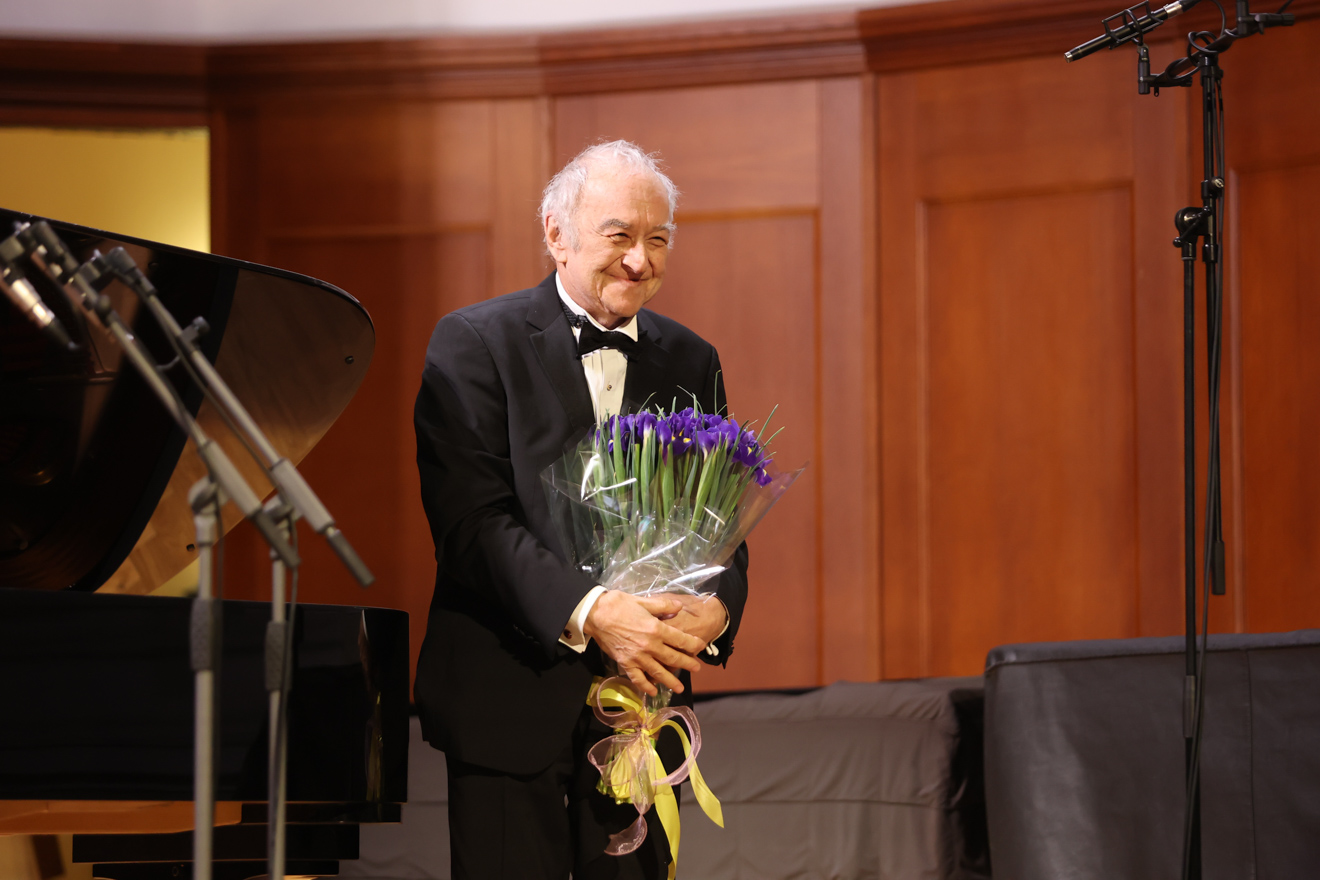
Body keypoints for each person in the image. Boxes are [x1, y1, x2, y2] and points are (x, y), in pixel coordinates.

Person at [413, 140, 749, 880]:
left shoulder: (693, 358)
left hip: (642, 710)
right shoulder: (473, 342)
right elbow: (472, 527)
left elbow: (717, 521)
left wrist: (717, 607)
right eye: (619, 235)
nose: (640, 261)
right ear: (556, 234)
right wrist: (594, 612)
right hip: (508, 697)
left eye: (658, 240)